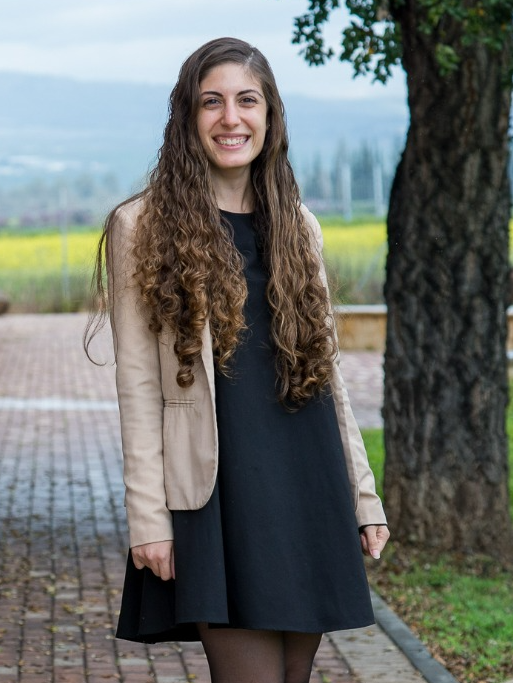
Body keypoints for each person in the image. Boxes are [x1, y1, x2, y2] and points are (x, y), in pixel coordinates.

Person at [85, 37, 389, 683]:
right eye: (211, 102)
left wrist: (363, 499)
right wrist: (149, 518)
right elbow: (138, 385)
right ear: (187, 117)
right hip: (218, 493)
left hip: (308, 476)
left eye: (247, 100)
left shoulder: (299, 225)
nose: (231, 118)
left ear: (269, 114)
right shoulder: (141, 225)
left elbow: (328, 374)